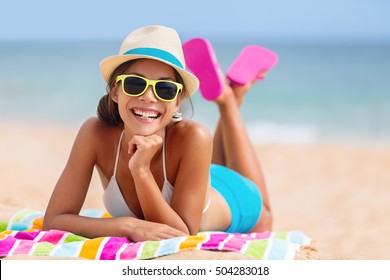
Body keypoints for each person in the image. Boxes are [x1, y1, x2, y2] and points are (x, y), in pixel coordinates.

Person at [43, 25, 272, 242]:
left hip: (236, 199)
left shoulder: (195, 136)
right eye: (135, 84)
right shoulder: (94, 134)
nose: (149, 97)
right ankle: (228, 96)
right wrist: (126, 225)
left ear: (177, 102)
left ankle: (229, 102)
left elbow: (182, 233)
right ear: (115, 91)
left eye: (165, 89)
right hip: (195, 179)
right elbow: (54, 220)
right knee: (211, 171)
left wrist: (141, 170)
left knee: (266, 213)